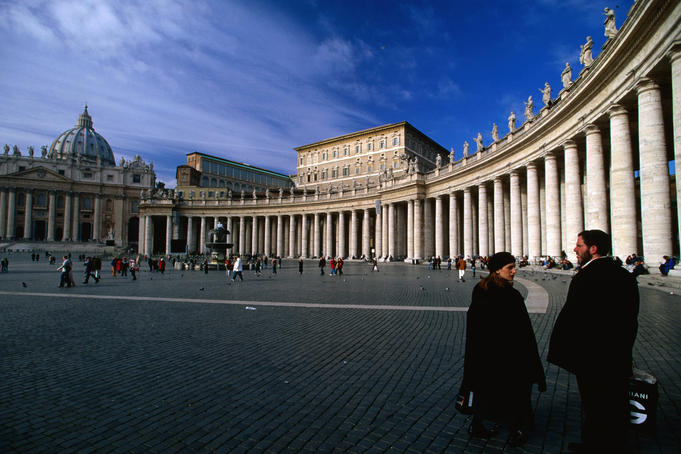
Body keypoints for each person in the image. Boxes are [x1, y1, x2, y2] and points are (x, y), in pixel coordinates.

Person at [548, 230, 639, 453]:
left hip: (590, 357)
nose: (575, 249)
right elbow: (630, 319)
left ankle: (594, 445)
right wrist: (624, 350)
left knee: (594, 403)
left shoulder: (586, 277)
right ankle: (614, 444)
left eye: (579, 245)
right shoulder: (625, 276)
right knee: (614, 402)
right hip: (617, 354)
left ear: (593, 249)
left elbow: (573, 319)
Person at [462, 252, 546, 447]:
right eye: (510, 267)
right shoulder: (510, 295)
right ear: (498, 270)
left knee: (484, 389)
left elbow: (474, 324)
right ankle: (517, 430)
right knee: (516, 393)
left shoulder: (480, 289)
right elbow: (523, 330)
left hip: (485, 354)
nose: (514, 271)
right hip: (509, 355)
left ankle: (477, 424)